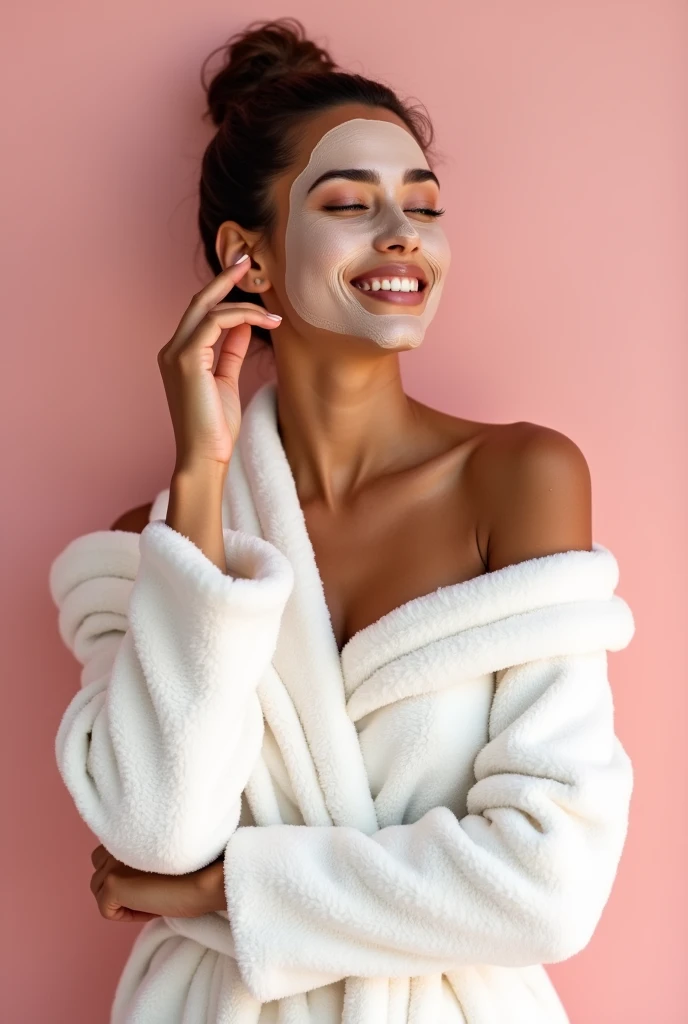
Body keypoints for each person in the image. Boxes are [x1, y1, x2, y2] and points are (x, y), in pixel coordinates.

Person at [49, 17, 635, 1024]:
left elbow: (550, 882)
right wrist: (201, 470)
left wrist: (225, 894)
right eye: (348, 203)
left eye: (423, 205)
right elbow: (156, 827)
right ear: (250, 256)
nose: (402, 233)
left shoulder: (517, 479)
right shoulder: (157, 544)